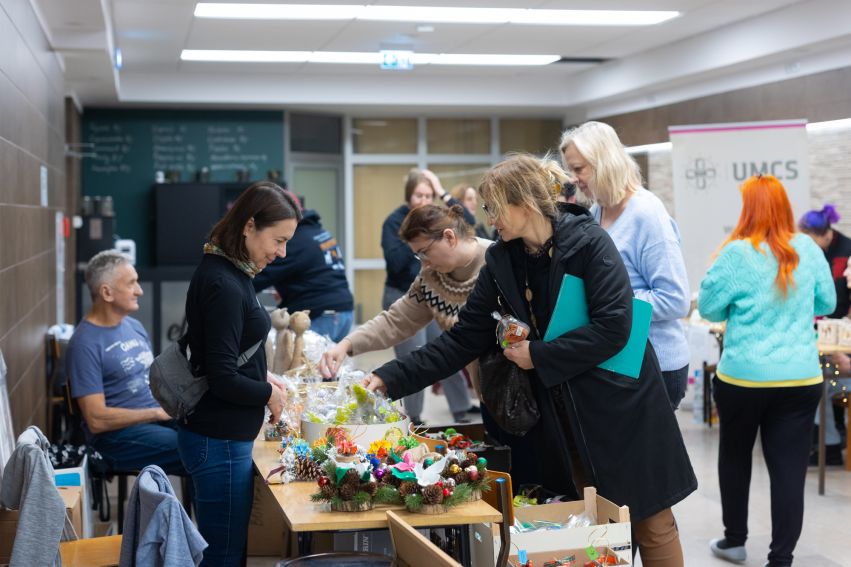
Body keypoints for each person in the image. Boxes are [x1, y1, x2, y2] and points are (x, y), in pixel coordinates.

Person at [365, 154, 697, 567]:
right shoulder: (504, 260)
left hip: (621, 406)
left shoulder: (589, 243)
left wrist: (537, 355)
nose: (489, 218)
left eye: (494, 207)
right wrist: (387, 377)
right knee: (588, 524)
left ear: (523, 202)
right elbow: (463, 339)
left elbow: (615, 328)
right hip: (564, 416)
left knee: (650, 521)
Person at [698, 175, 835, 567]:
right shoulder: (808, 249)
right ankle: (781, 559)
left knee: (736, 456)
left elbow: (708, 308)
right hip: (801, 378)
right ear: (785, 208)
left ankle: (735, 541)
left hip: (743, 378)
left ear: (748, 210)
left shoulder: (735, 254)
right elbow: (825, 299)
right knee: (789, 470)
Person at [178, 181, 297, 566]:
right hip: (219, 441)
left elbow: (226, 358)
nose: (281, 253)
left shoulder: (228, 270)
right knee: (224, 554)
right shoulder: (223, 283)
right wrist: (268, 395)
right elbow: (223, 377)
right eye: (277, 241)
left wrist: (263, 380)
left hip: (221, 437)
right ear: (249, 226)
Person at [320, 204, 491, 427]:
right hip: (487, 392)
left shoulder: (493, 262)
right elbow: (396, 320)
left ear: (449, 237)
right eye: (417, 255)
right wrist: (347, 344)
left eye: (425, 252)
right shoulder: (431, 277)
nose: (424, 262)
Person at [561, 121, 691, 410]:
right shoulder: (597, 211)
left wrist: (609, 303)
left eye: (579, 169)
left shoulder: (647, 214)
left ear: (605, 163)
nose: (573, 178)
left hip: (655, 363)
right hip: (619, 361)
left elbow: (675, 300)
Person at [66, 250, 185, 475]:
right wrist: (156, 413)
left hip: (154, 421)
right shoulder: (84, 344)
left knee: (213, 434)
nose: (139, 290)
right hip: (115, 438)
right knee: (198, 450)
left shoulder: (134, 326)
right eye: (131, 284)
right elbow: (96, 419)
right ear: (107, 292)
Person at [381, 168, 477, 424]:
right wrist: (416, 243)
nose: (423, 200)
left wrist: (443, 192)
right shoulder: (395, 222)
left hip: (436, 293)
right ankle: (413, 417)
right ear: (408, 197)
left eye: (428, 195)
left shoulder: (437, 222)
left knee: (446, 348)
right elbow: (395, 263)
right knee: (413, 356)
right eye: (418, 195)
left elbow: (469, 222)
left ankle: (461, 407)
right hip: (404, 293)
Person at [253, 189, 354, 343]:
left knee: (302, 365)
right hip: (343, 312)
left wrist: (235, 284)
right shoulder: (319, 231)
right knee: (323, 365)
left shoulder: (296, 240)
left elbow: (260, 276)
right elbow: (316, 271)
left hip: (321, 315)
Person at [799, 205, 851, 465]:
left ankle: (829, 445)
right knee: (820, 382)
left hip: (840, 337)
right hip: (828, 335)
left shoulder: (846, 252)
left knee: (824, 383)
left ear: (826, 234)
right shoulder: (814, 254)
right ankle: (827, 443)